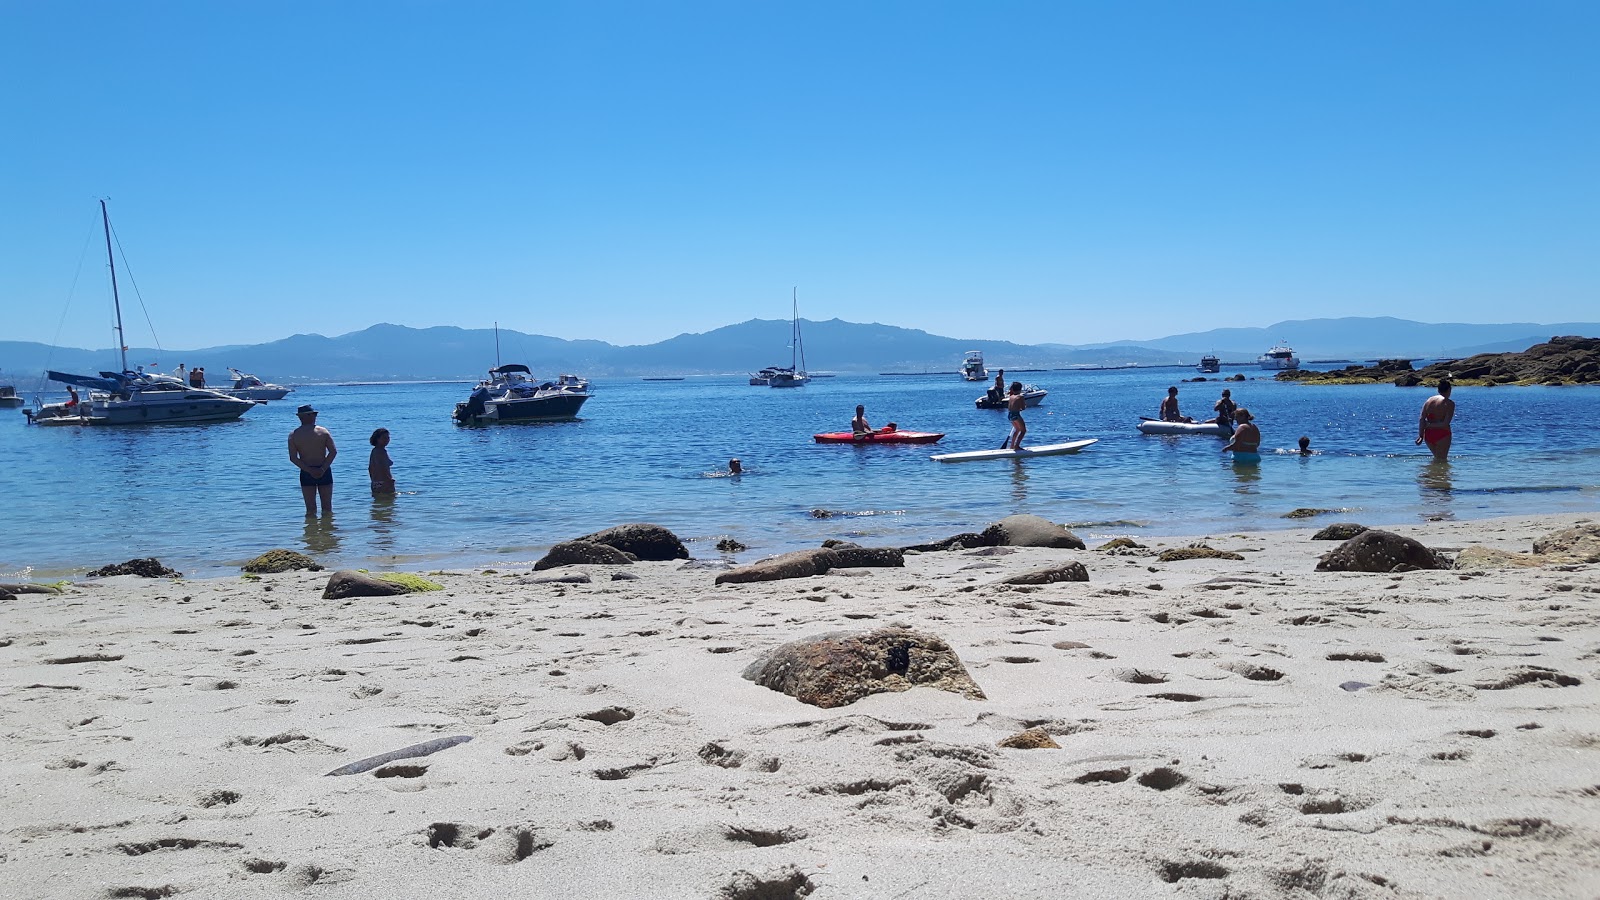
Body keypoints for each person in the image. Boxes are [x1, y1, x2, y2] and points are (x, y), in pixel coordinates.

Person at [288, 404, 337, 515]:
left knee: (311, 509)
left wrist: (310, 470)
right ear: (307, 416)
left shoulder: (294, 435)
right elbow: (333, 452)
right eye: (313, 414)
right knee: (326, 508)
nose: (315, 417)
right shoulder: (323, 431)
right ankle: (326, 531)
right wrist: (322, 469)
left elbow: (293, 458)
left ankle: (312, 531)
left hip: (307, 471)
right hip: (322, 470)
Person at [1416, 378, 1455, 460]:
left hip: (1429, 435)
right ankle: (1438, 473)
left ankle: (1432, 473)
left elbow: (1422, 419)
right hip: (1442, 434)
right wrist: (1430, 425)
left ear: (1438, 390)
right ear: (1449, 390)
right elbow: (1445, 423)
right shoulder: (1449, 403)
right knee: (1442, 460)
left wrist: (1420, 436)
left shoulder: (1429, 401)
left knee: (1437, 459)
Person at [368, 428, 395, 495]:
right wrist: (389, 480)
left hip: (376, 482)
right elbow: (382, 467)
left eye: (388, 437)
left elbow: (370, 468)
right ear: (377, 439)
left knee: (379, 503)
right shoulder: (380, 452)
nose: (387, 440)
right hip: (384, 482)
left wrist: (373, 480)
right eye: (384, 438)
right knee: (389, 502)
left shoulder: (374, 451)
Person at [1003, 381, 1027, 449]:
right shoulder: (1020, 396)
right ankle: (1016, 446)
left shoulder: (1011, 397)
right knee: (1023, 431)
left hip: (1010, 415)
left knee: (1017, 430)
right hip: (1016, 415)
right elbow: (1023, 408)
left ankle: (1012, 446)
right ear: (1020, 389)